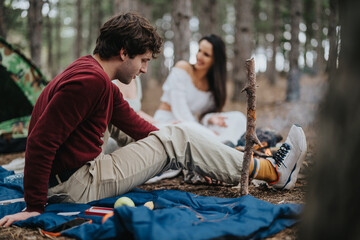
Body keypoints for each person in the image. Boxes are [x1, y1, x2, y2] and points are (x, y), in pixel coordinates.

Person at [0, 12, 307, 227]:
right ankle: (272, 171)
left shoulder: (93, 75)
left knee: (175, 136)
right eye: (143, 60)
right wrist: (34, 208)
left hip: (71, 175)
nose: (145, 69)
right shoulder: (89, 82)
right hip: (74, 184)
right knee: (179, 137)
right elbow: (41, 140)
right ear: (124, 52)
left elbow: (134, 124)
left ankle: (230, 161)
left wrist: (196, 150)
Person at [154, 34, 246, 147]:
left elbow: (202, 116)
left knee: (239, 117)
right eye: (199, 50)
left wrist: (210, 119)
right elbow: (180, 112)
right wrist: (207, 133)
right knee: (189, 128)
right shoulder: (182, 68)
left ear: (215, 61)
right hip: (170, 122)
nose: (199, 56)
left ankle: (226, 144)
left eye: (206, 54)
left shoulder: (213, 85)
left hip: (195, 126)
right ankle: (222, 145)